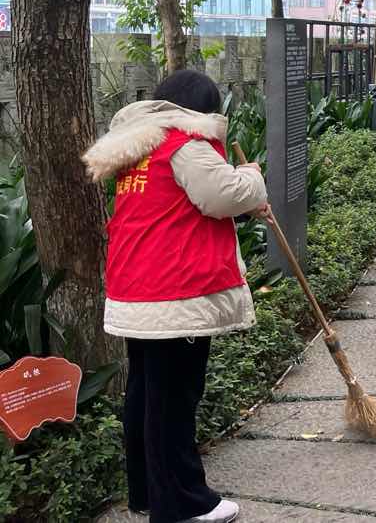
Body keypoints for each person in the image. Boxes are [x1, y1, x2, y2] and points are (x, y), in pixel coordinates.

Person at [82, 70, 269, 523]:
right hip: (175, 291)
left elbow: (177, 207)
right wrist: (251, 178)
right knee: (174, 401)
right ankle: (183, 504)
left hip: (137, 288)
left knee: (147, 395)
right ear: (204, 111)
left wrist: (245, 205)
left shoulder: (141, 146)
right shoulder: (186, 143)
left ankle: (149, 493)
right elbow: (221, 196)